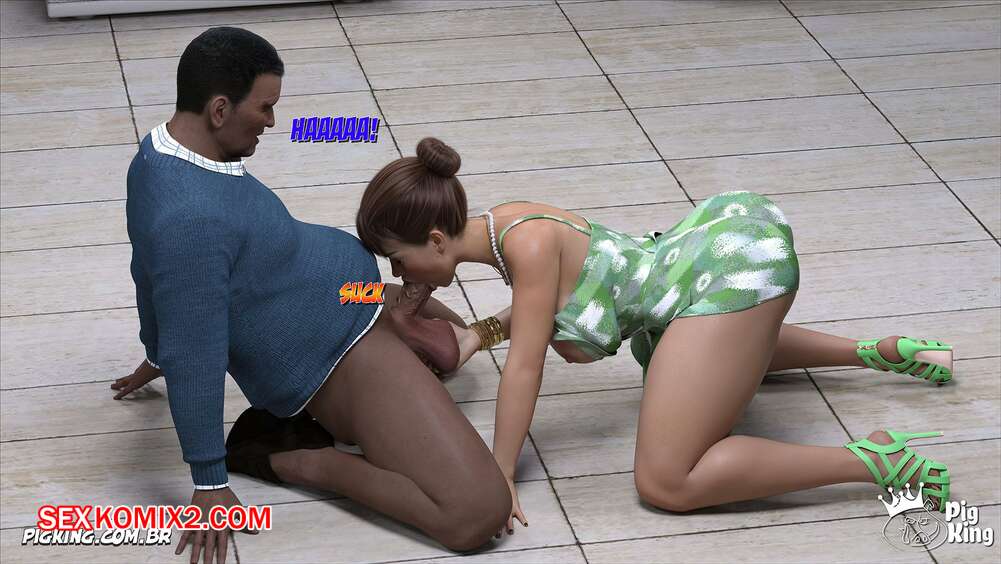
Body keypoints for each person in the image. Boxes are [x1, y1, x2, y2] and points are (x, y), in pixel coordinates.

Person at [355, 136, 956, 535]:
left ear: (437, 240)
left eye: (398, 260)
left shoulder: (525, 246)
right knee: (698, 349)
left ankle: (875, 460)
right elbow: (554, 303)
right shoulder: (507, 223)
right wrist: (476, 336)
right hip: (711, 250)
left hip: (731, 271)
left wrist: (500, 474)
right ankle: (879, 353)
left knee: (667, 479)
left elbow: (527, 365)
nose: (400, 275)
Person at [113, 28, 509, 564]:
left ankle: (393, 372)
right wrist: (209, 481)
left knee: (453, 341)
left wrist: (155, 349)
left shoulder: (159, 154)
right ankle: (301, 458)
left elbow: (147, 270)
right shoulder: (190, 220)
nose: (273, 122)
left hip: (351, 292)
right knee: (477, 513)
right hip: (338, 351)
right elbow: (196, 353)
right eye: (265, 107)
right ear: (220, 110)